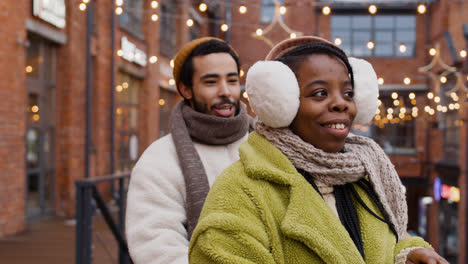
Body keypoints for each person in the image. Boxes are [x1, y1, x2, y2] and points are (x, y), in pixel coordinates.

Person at [189, 36, 448, 264]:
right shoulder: (240, 192)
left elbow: (386, 245)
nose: (340, 104)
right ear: (281, 104)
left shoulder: (366, 178)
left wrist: (406, 254)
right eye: (320, 93)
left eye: (348, 93)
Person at [126, 37, 252, 264]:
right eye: (211, 82)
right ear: (186, 90)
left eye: (232, 81)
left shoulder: (266, 143)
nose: (225, 91)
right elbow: (156, 246)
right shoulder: (159, 160)